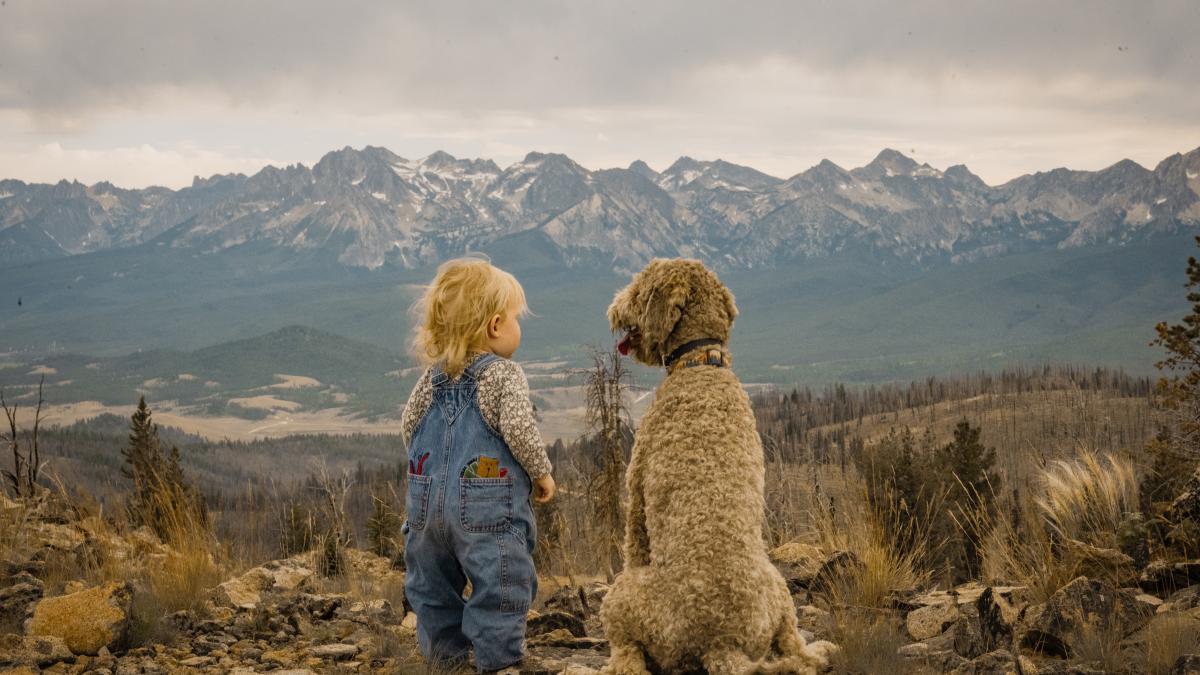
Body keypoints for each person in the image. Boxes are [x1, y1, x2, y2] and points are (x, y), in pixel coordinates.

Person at [401, 257, 557, 672]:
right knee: (501, 583)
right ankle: (498, 662)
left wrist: (430, 479)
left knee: (431, 586)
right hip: (485, 507)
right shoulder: (503, 375)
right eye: (515, 320)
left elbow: (409, 430)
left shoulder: (431, 379)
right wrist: (541, 473)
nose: (517, 330)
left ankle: (444, 661)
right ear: (494, 326)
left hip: (425, 506)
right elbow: (520, 430)